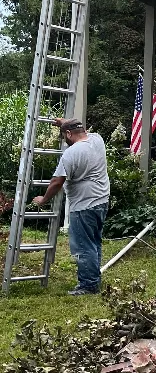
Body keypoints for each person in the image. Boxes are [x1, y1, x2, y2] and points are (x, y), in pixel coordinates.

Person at [32, 118, 110, 296]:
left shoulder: (71, 153)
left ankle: (88, 286)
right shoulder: (97, 139)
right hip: (101, 201)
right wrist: (65, 123)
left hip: (84, 205)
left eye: (64, 135)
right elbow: (79, 128)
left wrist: (43, 199)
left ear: (68, 134)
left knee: (84, 246)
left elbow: (57, 182)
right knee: (94, 242)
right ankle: (94, 279)